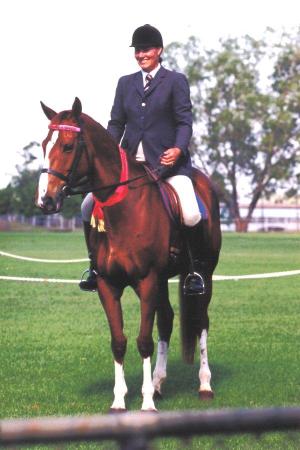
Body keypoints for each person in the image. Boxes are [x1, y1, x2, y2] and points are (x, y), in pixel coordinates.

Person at [79, 24, 205, 295]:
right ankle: (94, 266)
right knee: (87, 205)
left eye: (146, 49)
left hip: (168, 165)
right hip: (130, 167)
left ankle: (193, 270)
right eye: (137, 50)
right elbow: (116, 123)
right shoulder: (126, 83)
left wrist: (178, 149)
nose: (141, 55)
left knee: (192, 212)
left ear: (159, 51)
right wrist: (107, 155)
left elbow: (184, 122)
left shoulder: (175, 81)